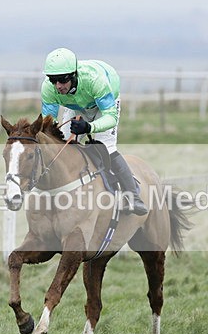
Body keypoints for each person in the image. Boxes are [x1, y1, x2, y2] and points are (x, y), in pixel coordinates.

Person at [41, 47, 148, 215]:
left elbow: (110, 117)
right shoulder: (49, 88)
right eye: (53, 80)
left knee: (106, 146)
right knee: (66, 147)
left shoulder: (94, 80)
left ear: (73, 75)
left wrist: (89, 127)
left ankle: (133, 196)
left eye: (62, 80)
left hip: (104, 103)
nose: (58, 86)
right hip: (76, 106)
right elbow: (47, 123)